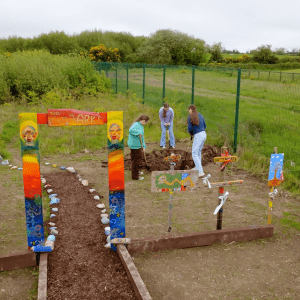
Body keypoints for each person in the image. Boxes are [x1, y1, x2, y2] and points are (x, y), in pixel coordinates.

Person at [128, 115, 150, 180]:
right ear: (143, 121)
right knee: (136, 161)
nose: (146, 124)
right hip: (135, 146)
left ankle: (136, 172)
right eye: (146, 122)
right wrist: (138, 132)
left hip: (138, 145)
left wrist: (144, 146)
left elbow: (142, 137)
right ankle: (135, 177)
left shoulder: (140, 126)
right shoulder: (136, 124)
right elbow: (131, 130)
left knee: (136, 160)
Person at [187, 104, 206, 177]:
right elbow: (204, 125)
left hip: (198, 136)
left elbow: (190, 128)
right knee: (198, 152)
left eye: (189, 110)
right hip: (204, 134)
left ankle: (200, 172)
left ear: (190, 109)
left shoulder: (190, 116)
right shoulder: (200, 115)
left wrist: (191, 134)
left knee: (194, 153)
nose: (188, 111)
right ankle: (197, 167)